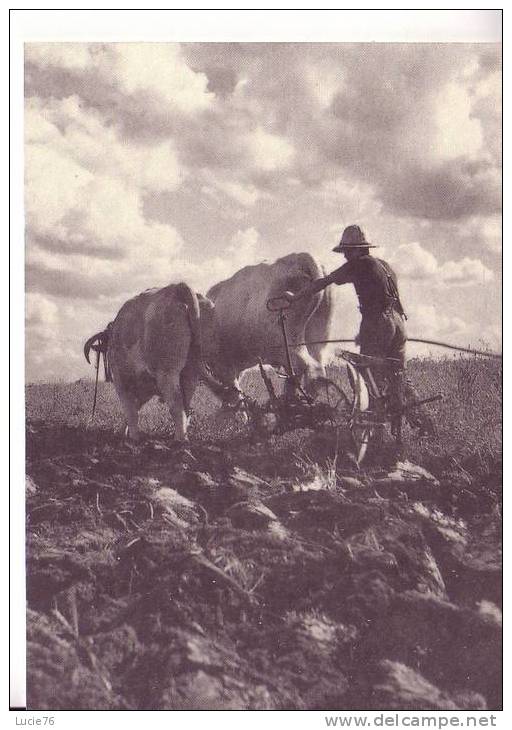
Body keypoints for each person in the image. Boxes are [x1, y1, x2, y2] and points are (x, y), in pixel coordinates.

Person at [282, 224, 435, 437]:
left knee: (370, 374)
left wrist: (295, 297)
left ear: (356, 249)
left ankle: (376, 432)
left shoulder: (358, 264)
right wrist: (377, 328)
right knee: (398, 374)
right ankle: (424, 426)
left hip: (378, 321)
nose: (345, 256)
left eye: (346, 251)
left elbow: (323, 282)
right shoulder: (384, 266)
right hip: (398, 323)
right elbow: (392, 300)